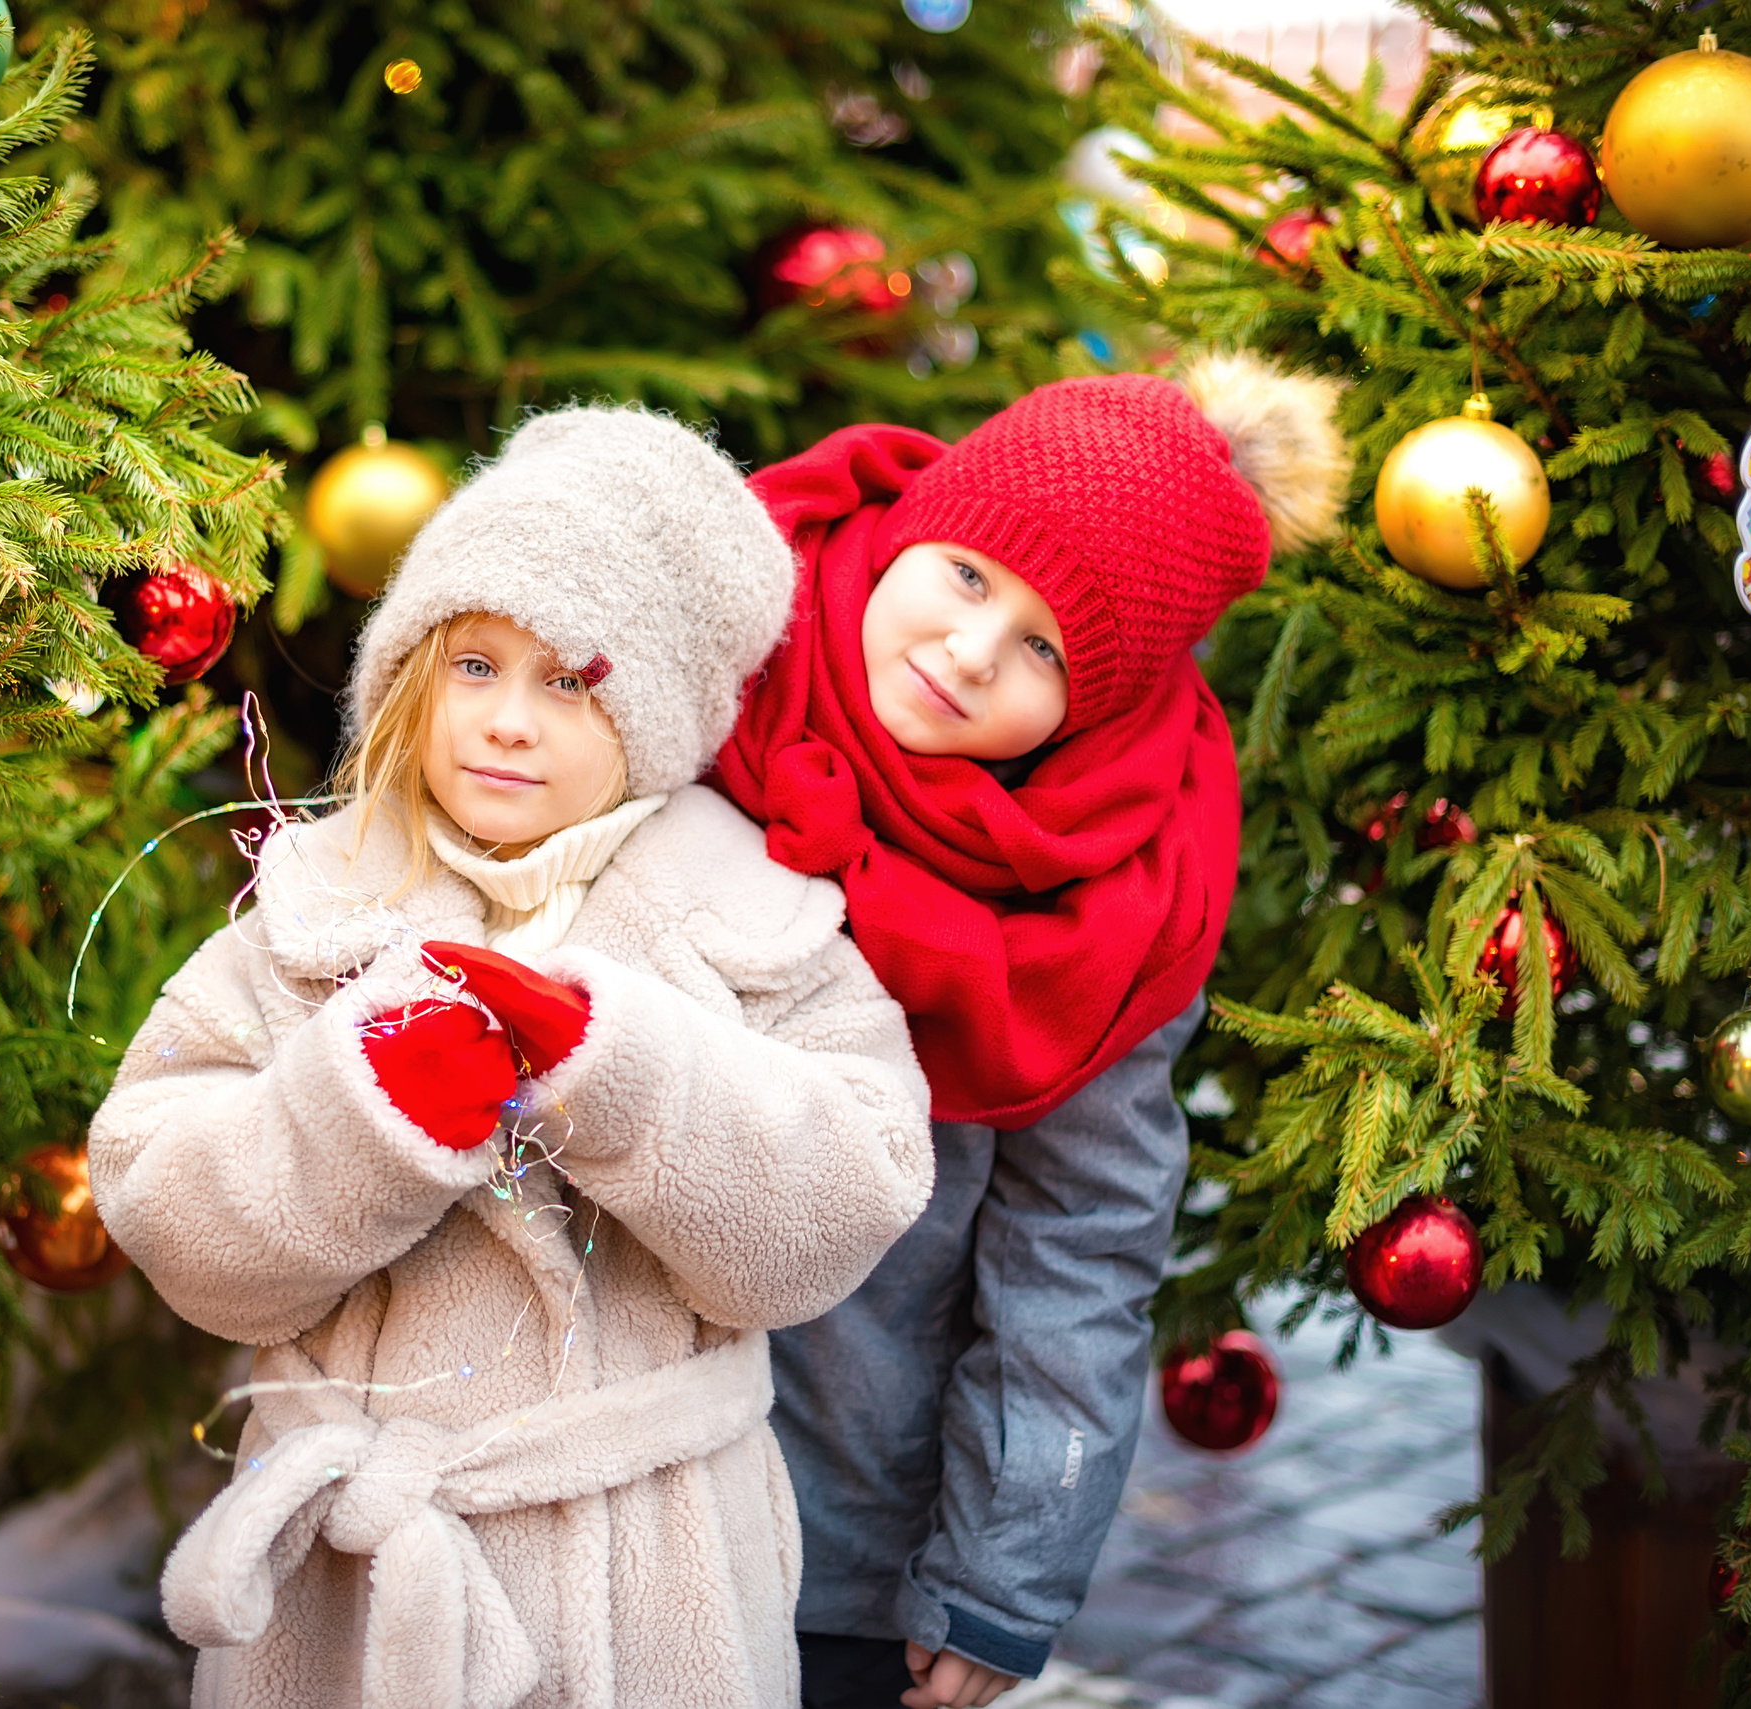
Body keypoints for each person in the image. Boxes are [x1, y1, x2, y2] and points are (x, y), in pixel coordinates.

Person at [89, 405, 936, 1709]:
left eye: (570, 681)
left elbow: (847, 1198)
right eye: (475, 664)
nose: (508, 721)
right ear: (412, 671)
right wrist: (357, 1117)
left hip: (648, 1578)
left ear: (650, 715)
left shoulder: (751, 925)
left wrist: (630, 1073)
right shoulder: (315, 913)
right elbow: (166, 1198)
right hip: (355, 1595)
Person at [711, 352, 1350, 1709]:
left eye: (1048, 649)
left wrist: (1003, 1577)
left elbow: (1080, 1251)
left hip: (831, 1528)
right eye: (967, 575)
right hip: (556, 1462)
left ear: (1099, 698)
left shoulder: (1112, 908)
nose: (969, 650)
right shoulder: (712, 662)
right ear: (917, 522)